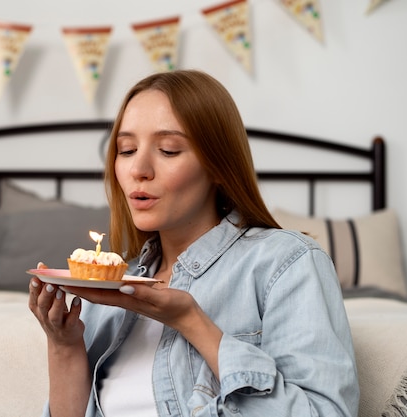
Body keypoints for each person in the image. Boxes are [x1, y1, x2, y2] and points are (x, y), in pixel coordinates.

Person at [28, 69, 359, 417]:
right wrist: (63, 344)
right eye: (127, 150)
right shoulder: (108, 288)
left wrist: (191, 321)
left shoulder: (285, 263)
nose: (138, 168)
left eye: (168, 150)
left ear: (218, 165)